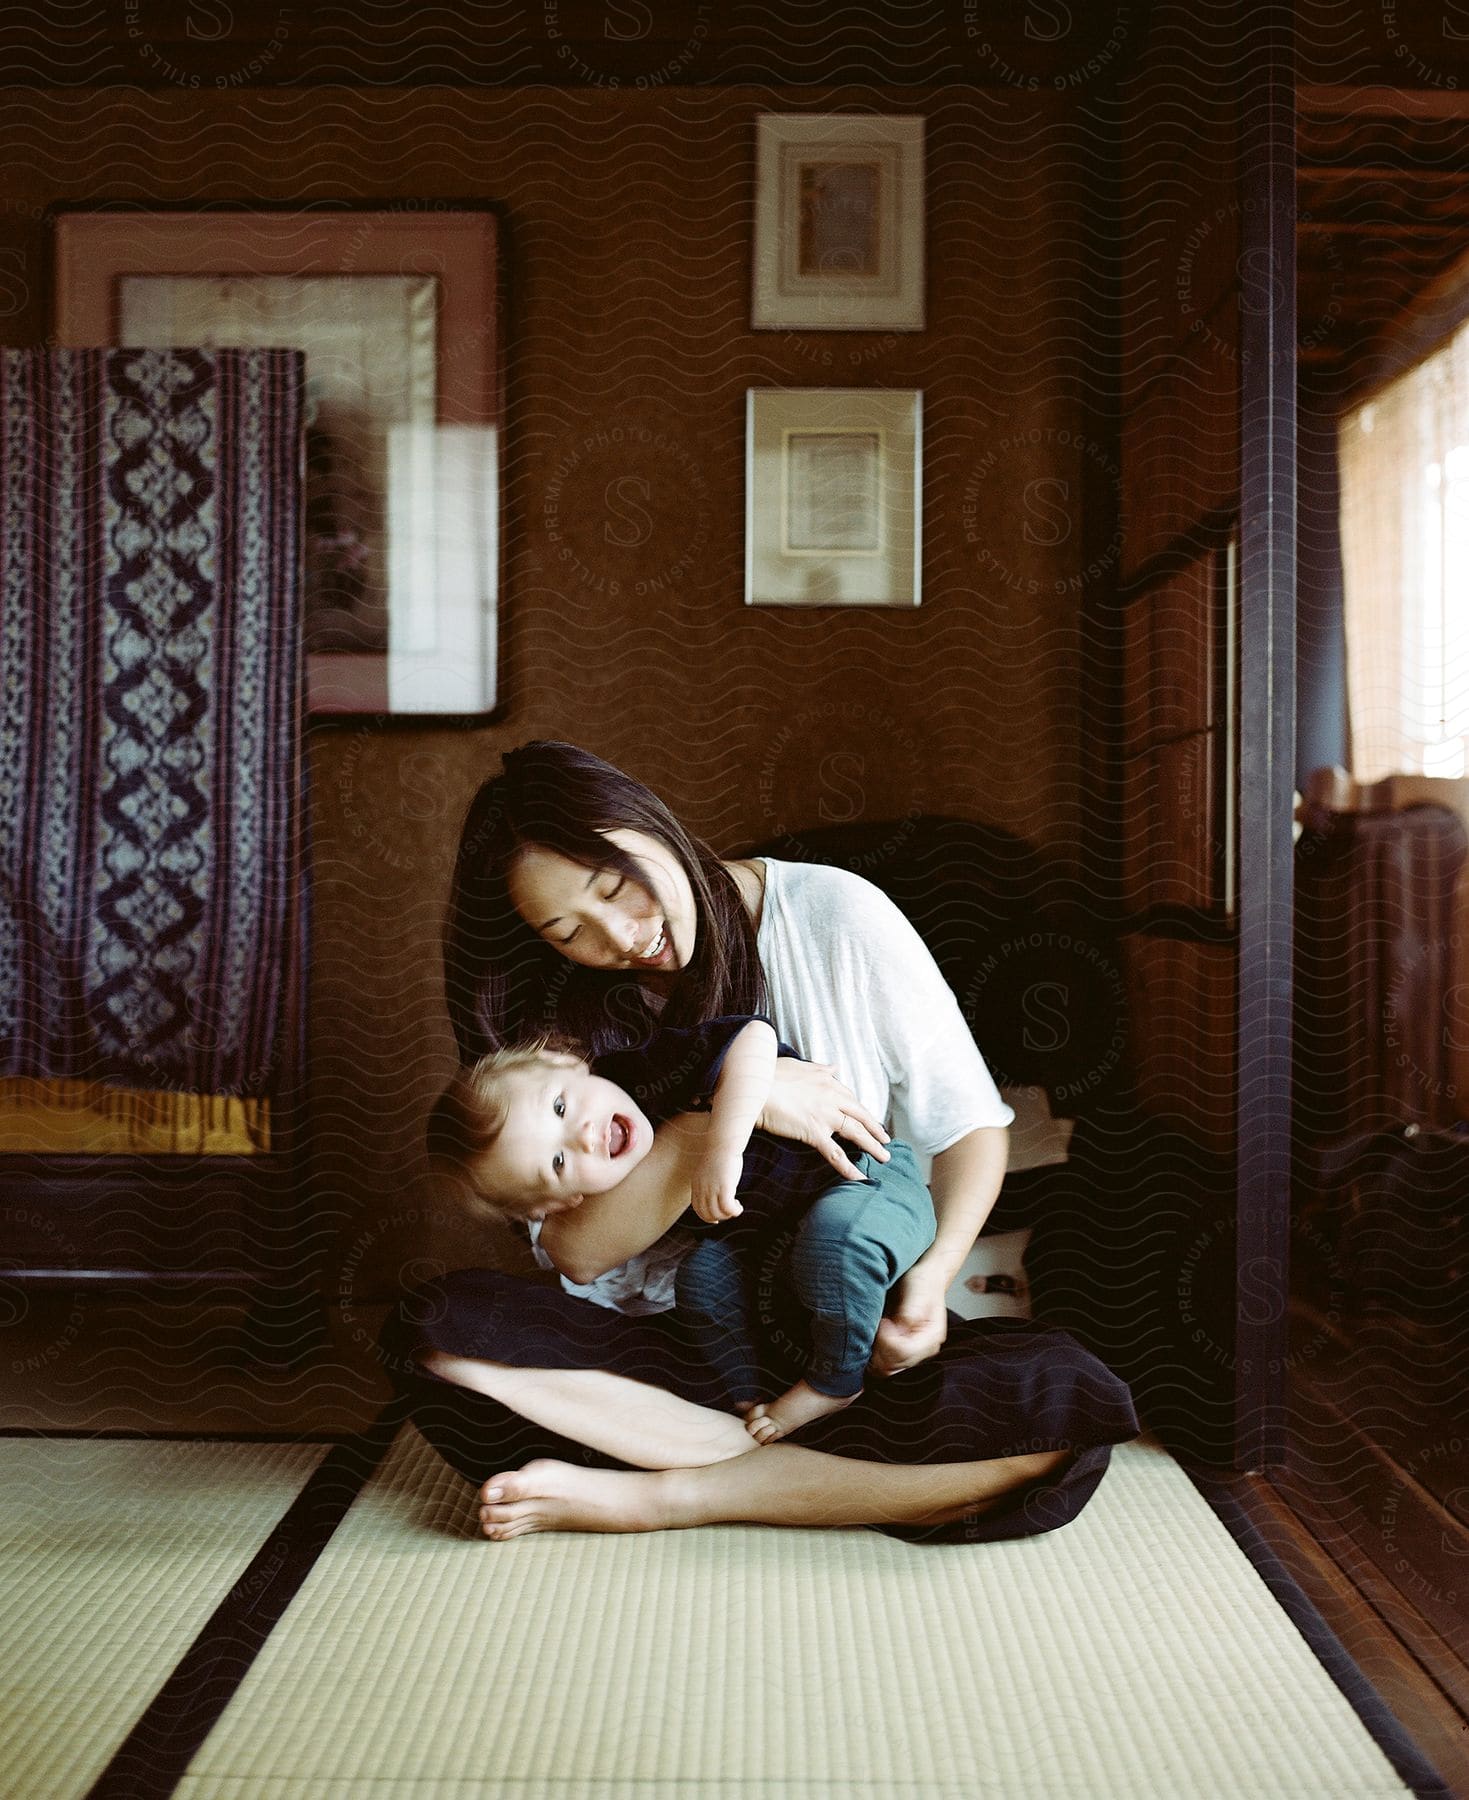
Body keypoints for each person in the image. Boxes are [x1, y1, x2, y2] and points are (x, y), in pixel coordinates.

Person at [387, 740, 1138, 1544]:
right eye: (569, 928)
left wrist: (930, 1284)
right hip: (680, 1355)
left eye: (617, 887)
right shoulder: (557, 1029)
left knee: (1060, 1408)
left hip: (835, 1337)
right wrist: (716, 1122)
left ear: (652, 824)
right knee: (433, 1330)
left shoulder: (831, 914)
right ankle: (761, 1465)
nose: (619, 936)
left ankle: (674, 1495)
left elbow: (969, 1131)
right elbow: (577, 1253)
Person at [427, 1015, 938, 1442]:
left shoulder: (647, 1068)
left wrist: (724, 1141)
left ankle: (835, 1383)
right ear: (565, 1202)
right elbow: (579, 1259)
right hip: (781, 1252)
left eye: (560, 1106)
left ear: (566, 1063)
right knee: (703, 1276)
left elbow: (752, 1035)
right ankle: (749, 1398)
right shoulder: (613, 1192)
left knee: (836, 1243)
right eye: (558, 1161)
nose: (583, 1135)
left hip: (868, 1179)